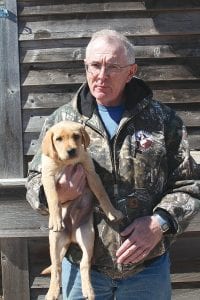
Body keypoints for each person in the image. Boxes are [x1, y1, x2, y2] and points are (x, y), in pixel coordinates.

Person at [26, 29, 200, 300]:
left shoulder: (163, 121)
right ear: (86, 67)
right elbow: (35, 180)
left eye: (112, 67)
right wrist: (57, 195)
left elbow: (190, 184)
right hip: (81, 268)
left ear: (131, 72)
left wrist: (160, 222)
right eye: (95, 65)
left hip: (146, 270)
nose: (101, 75)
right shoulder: (62, 121)